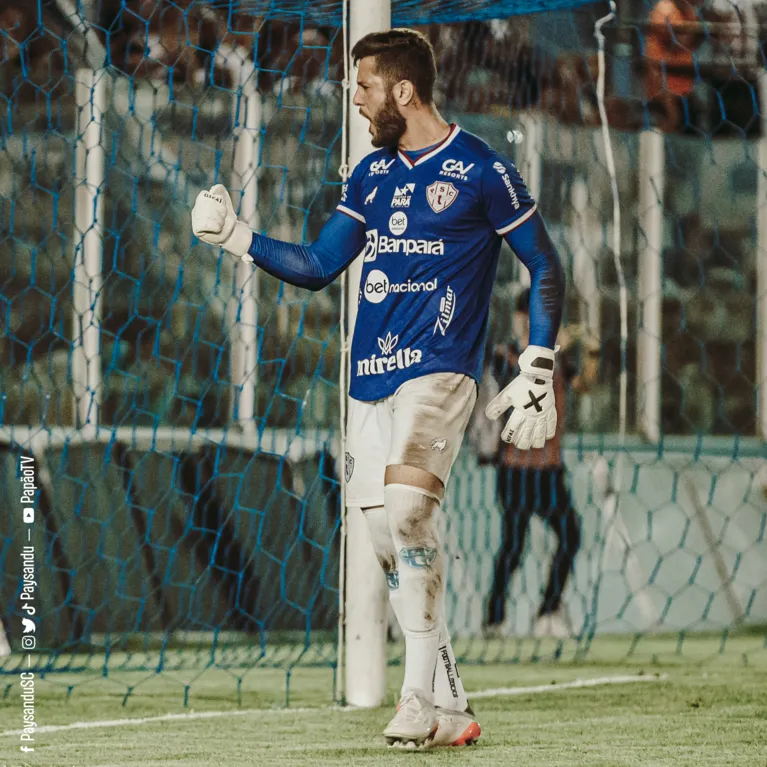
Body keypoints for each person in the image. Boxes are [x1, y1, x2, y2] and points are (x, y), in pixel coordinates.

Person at [191, 28, 565, 748]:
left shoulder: (482, 169)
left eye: (361, 86)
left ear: (402, 90)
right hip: (368, 381)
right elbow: (317, 264)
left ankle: (415, 696)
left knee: (408, 510)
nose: (353, 99)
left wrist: (538, 364)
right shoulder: (370, 174)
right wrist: (236, 235)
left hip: (440, 371)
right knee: (387, 541)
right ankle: (452, 705)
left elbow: (543, 263)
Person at [473, 289, 597, 639]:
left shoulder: (557, 358)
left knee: (570, 536)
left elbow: (583, 385)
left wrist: (592, 349)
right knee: (513, 545)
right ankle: (494, 619)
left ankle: (548, 610)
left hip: (549, 469)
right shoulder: (506, 356)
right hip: (515, 468)